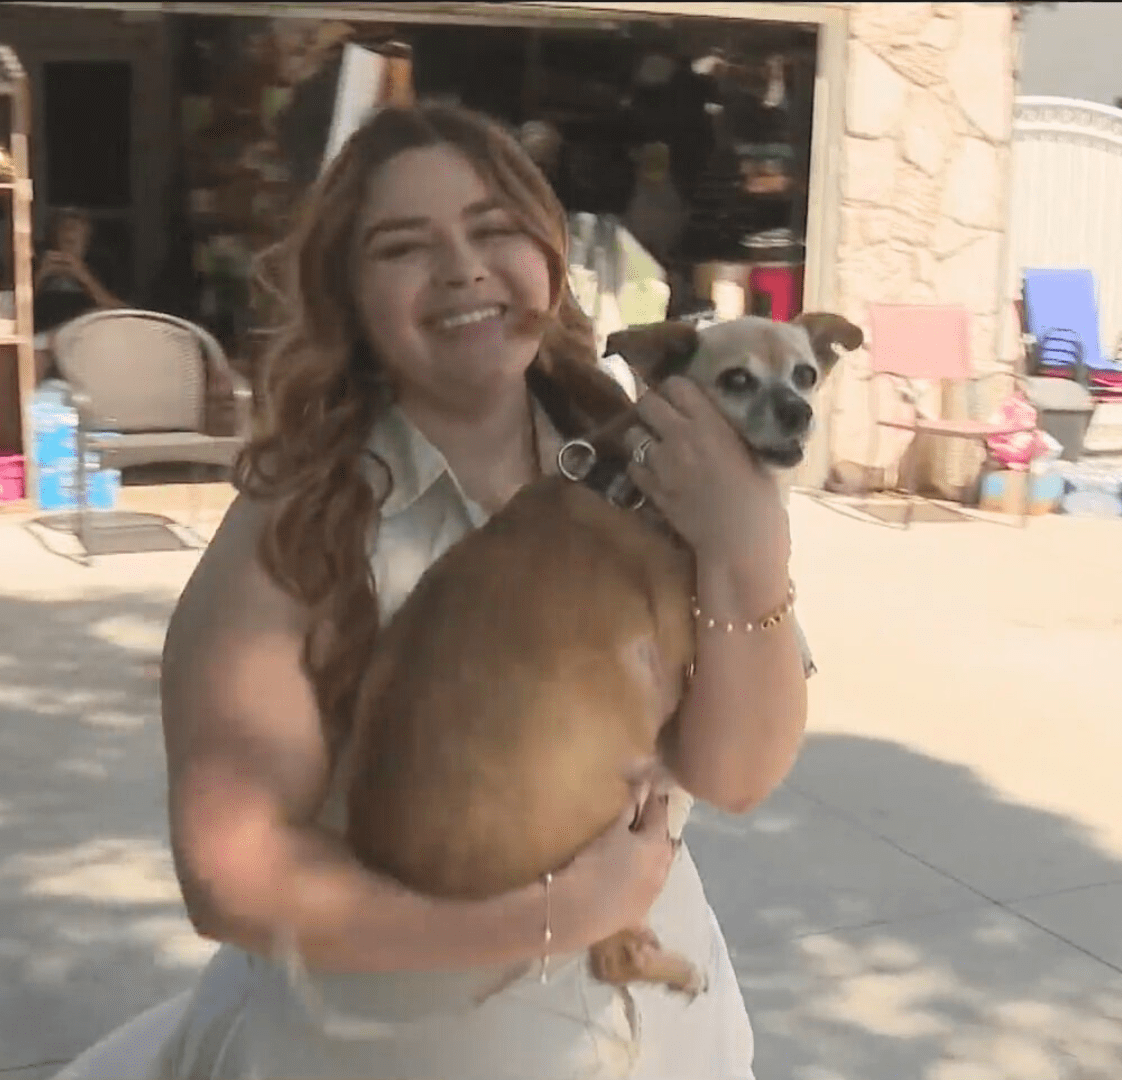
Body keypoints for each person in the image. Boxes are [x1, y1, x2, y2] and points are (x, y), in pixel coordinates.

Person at [53, 104, 814, 1080]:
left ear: (546, 250)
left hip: (669, 1036)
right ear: (350, 297)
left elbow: (735, 774)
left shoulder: (659, 460)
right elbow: (230, 875)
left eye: (493, 229)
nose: (464, 269)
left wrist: (749, 548)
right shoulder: (301, 525)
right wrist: (557, 917)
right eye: (405, 248)